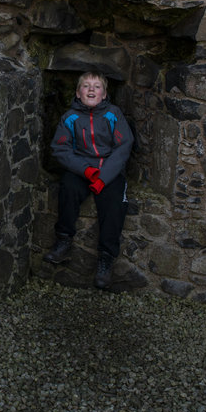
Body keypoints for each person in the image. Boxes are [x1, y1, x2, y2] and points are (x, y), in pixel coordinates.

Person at [44, 69, 133, 289]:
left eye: (97, 86)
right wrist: (86, 171)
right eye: (86, 86)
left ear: (104, 94)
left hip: (109, 170)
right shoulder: (70, 117)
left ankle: (106, 258)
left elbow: (124, 146)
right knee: (67, 188)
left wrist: (103, 177)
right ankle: (63, 240)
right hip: (81, 168)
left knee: (115, 204)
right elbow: (60, 148)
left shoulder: (113, 114)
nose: (91, 89)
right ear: (77, 93)